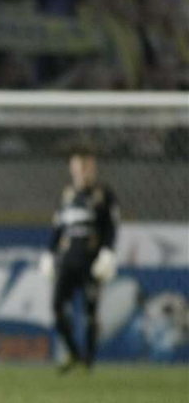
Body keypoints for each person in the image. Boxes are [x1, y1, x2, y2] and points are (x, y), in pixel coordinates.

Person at [39, 149, 120, 373]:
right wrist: (48, 253)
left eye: (86, 166)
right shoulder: (67, 195)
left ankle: (89, 362)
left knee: (90, 312)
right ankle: (75, 353)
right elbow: (58, 228)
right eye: (78, 166)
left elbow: (111, 228)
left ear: (93, 168)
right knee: (56, 307)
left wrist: (108, 253)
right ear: (72, 168)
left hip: (91, 261)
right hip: (68, 261)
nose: (82, 171)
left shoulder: (104, 195)